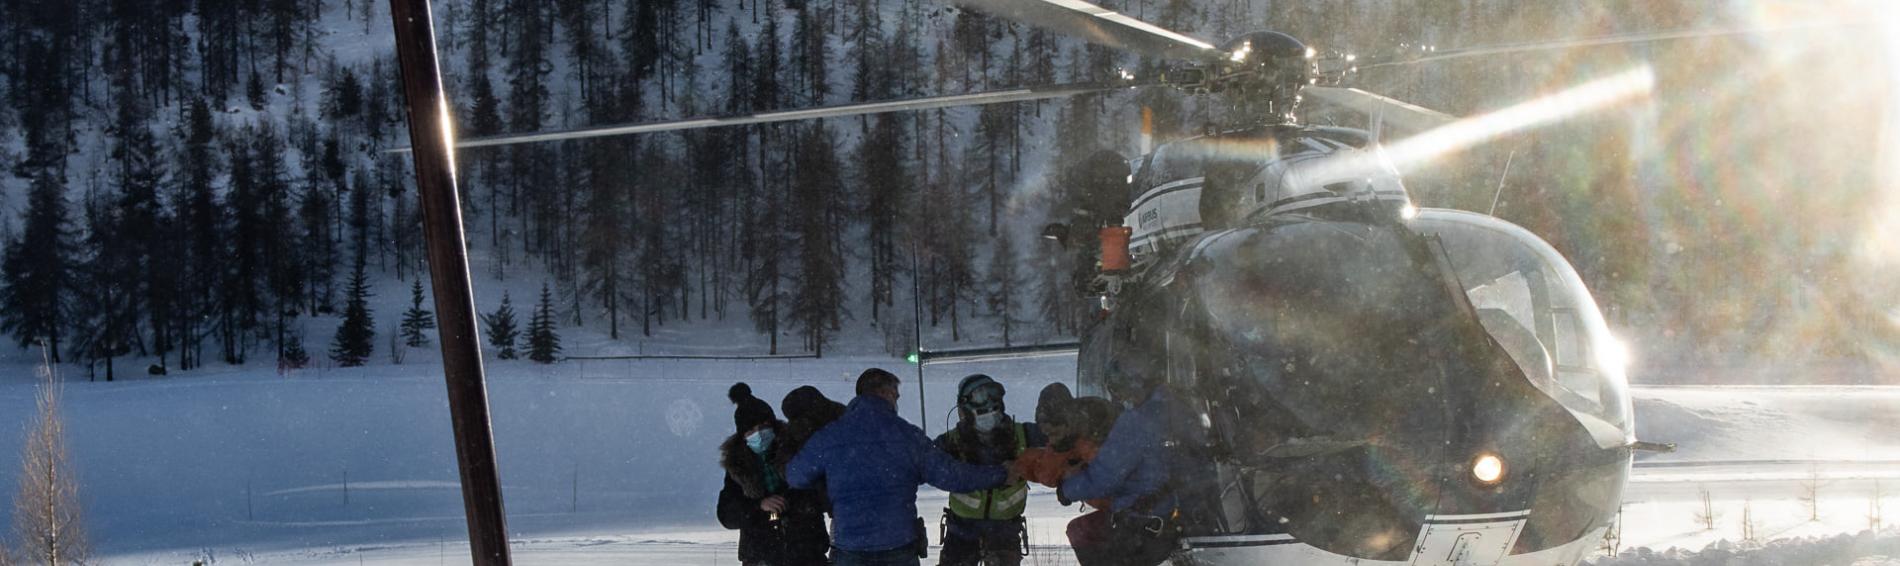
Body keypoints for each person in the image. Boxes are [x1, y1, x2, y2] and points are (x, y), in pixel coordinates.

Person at [787, 368, 1015, 566]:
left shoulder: (830, 436)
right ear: (885, 393)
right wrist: (1002, 474)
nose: (896, 402)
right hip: (898, 546)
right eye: (895, 396)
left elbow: (795, 475)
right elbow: (951, 476)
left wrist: (832, 481)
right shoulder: (907, 435)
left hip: (850, 549)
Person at [1056, 362, 1179, 566]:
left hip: (1142, 523)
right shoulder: (1175, 409)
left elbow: (1104, 478)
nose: (1119, 398)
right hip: (1176, 515)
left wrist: (1066, 489)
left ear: (1132, 384)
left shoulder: (1135, 422)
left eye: (1118, 390)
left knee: (1082, 531)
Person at [933, 375, 1048, 566]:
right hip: (961, 533)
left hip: (1005, 534)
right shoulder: (951, 442)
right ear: (963, 408)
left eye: (992, 396)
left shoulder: (1023, 435)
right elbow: (925, 466)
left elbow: (1062, 441)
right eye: (979, 397)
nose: (988, 404)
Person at [717, 383, 831, 566]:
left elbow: (824, 494)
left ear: (773, 425)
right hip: (761, 557)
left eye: (763, 426)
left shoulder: (798, 452)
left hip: (807, 554)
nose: (759, 434)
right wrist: (759, 506)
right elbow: (727, 516)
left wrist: (798, 502)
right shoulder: (738, 468)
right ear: (743, 437)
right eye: (751, 431)